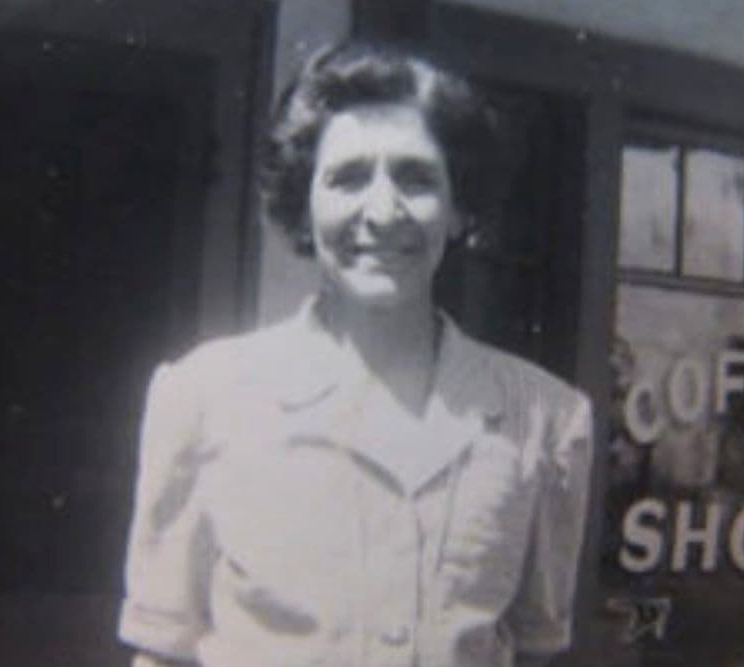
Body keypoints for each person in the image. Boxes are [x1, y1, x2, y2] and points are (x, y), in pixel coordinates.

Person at [118, 41, 594, 667]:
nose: (382, 211)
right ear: (304, 202)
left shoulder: (545, 419)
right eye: (347, 178)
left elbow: (537, 651)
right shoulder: (204, 396)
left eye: (417, 178)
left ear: (459, 209)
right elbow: (163, 652)